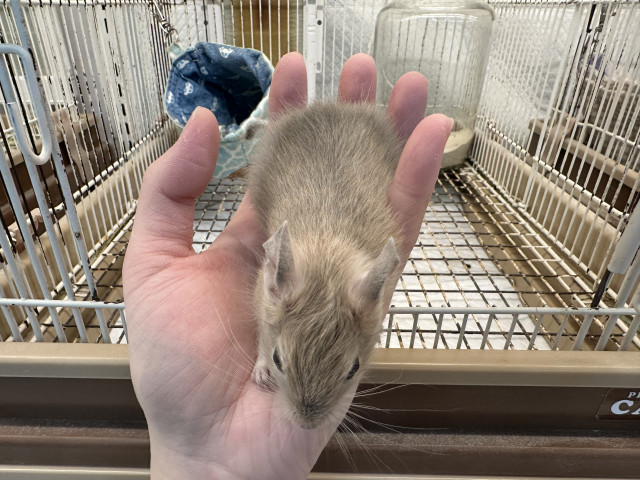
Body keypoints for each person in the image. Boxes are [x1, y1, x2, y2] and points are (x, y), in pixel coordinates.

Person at [123, 52, 452, 479]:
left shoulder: (352, 290)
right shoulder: (282, 277)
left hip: (341, 154)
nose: (307, 417)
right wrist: (266, 356)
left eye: (351, 369)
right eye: (281, 359)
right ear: (274, 275)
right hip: (306, 156)